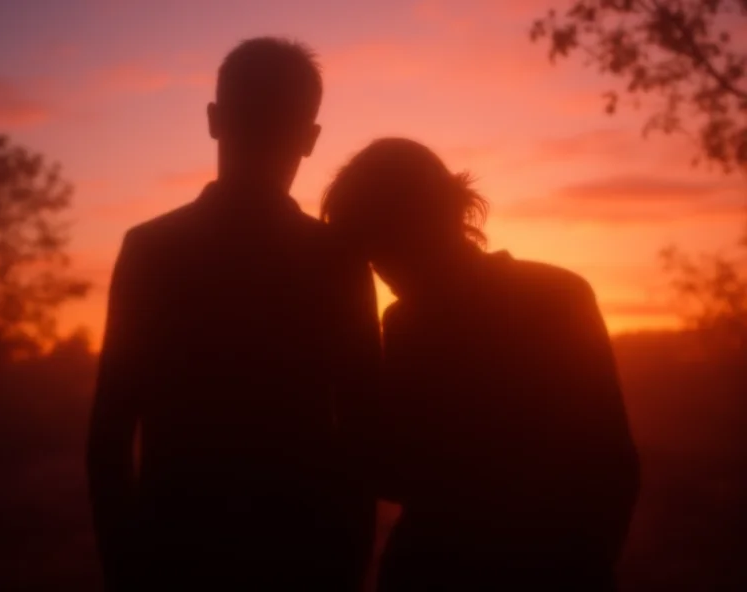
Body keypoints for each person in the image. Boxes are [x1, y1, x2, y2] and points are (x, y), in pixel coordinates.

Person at [87, 38, 381, 591]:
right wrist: (346, 564)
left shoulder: (152, 249)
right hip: (302, 557)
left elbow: (108, 435)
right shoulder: (336, 259)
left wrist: (124, 569)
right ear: (310, 138)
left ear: (214, 121)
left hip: (176, 556)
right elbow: (363, 434)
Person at [321, 138, 641, 591]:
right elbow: (613, 463)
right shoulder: (556, 292)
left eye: (384, 245)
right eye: (372, 254)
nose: (382, 269)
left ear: (432, 221)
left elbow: (609, 461)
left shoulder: (551, 298)